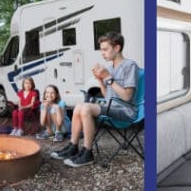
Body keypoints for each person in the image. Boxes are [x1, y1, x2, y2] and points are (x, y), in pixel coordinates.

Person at [51, 32, 139, 167]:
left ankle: (87, 153)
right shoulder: (109, 67)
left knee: (86, 107)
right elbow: (108, 96)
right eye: (101, 50)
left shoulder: (130, 65)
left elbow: (127, 96)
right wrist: (100, 80)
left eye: (105, 49)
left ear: (117, 48)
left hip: (126, 111)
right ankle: (73, 146)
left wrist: (108, 78)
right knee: (80, 105)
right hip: (112, 107)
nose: (102, 53)